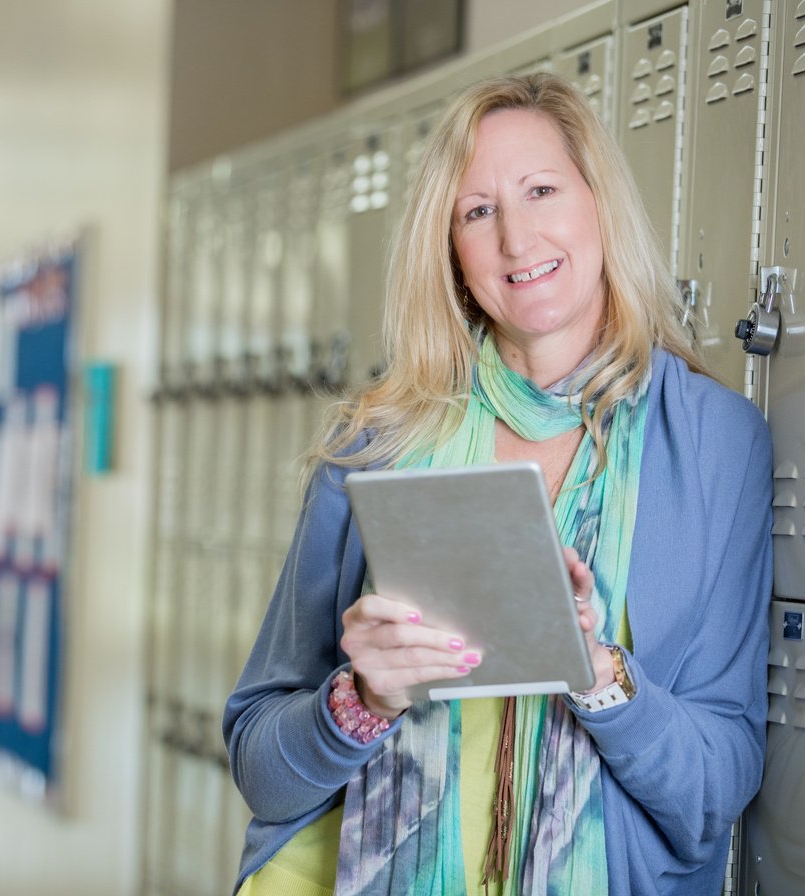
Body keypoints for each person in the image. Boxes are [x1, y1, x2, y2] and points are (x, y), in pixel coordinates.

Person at [223, 72, 772, 896]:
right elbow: (263, 771)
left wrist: (599, 674)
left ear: (598, 205)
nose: (517, 239)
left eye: (541, 190)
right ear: (451, 251)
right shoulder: (378, 443)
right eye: (478, 211)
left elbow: (716, 790)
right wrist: (362, 699)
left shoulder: (713, 444)